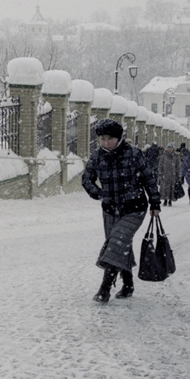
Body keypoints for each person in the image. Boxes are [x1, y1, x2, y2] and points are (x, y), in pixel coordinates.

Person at [82, 119, 160, 304]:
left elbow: (149, 179)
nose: (105, 143)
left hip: (134, 208)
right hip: (110, 209)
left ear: (118, 138)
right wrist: (99, 194)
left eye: (109, 139)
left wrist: (155, 203)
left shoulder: (133, 154)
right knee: (120, 244)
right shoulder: (97, 156)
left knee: (116, 243)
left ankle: (105, 289)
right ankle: (128, 284)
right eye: (102, 139)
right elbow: (86, 180)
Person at [158, 143, 183, 207]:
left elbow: (178, 166)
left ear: (173, 149)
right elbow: (160, 164)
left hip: (173, 175)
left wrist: (179, 175)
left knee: (172, 188)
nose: (169, 149)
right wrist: (160, 173)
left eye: (170, 148)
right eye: (168, 147)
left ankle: (170, 200)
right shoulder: (164, 155)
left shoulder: (176, 156)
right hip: (165, 174)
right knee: (165, 188)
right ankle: (165, 200)